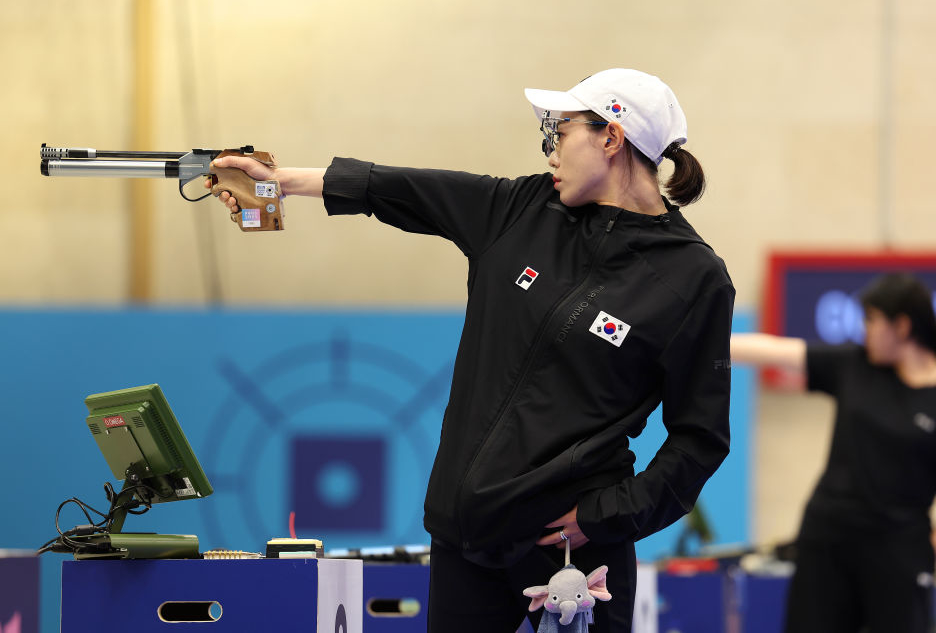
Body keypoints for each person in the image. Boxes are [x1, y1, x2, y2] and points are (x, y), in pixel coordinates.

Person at [208, 68, 734, 631]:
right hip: (465, 537)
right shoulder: (522, 209)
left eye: (559, 132)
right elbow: (400, 188)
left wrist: (602, 519)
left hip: (573, 554)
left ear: (611, 137)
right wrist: (279, 181)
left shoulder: (693, 278)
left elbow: (699, 439)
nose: (551, 152)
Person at [731, 273, 936, 633]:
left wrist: (929, 553)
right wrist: (707, 340)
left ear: (902, 326)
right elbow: (778, 351)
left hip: (899, 553)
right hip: (827, 542)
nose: (862, 330)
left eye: (870, 320)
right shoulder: (855, 366)